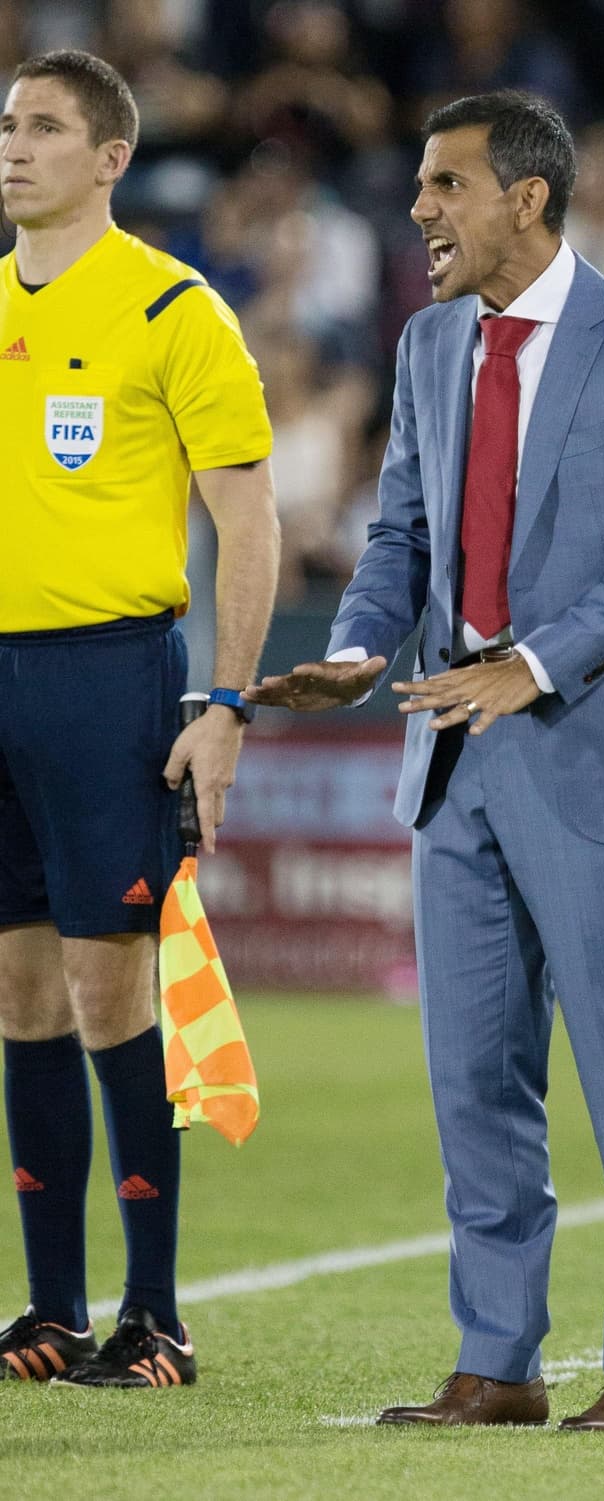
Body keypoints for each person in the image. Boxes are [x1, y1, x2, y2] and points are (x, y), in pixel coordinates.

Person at [247, 89, 604, 1433]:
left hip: (582, 735)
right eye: (419, 186)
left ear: (527, 197)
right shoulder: (426, 345)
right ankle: (498, 1357)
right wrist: (355, 647)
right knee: (474, 1071)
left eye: (445, 185)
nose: (420, 210)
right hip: (450, 750)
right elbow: (400, 530)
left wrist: (531, 662)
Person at [0, 51, 278, 1388]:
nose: (16, 146)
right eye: (8, 124)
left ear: (110, 156)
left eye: (46, 126)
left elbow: (249, 518)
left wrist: (222, 701)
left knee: (110, 981)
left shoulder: (175, 309)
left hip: (107, 672)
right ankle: (48, 1309)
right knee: (18, 983)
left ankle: (152, 1310)